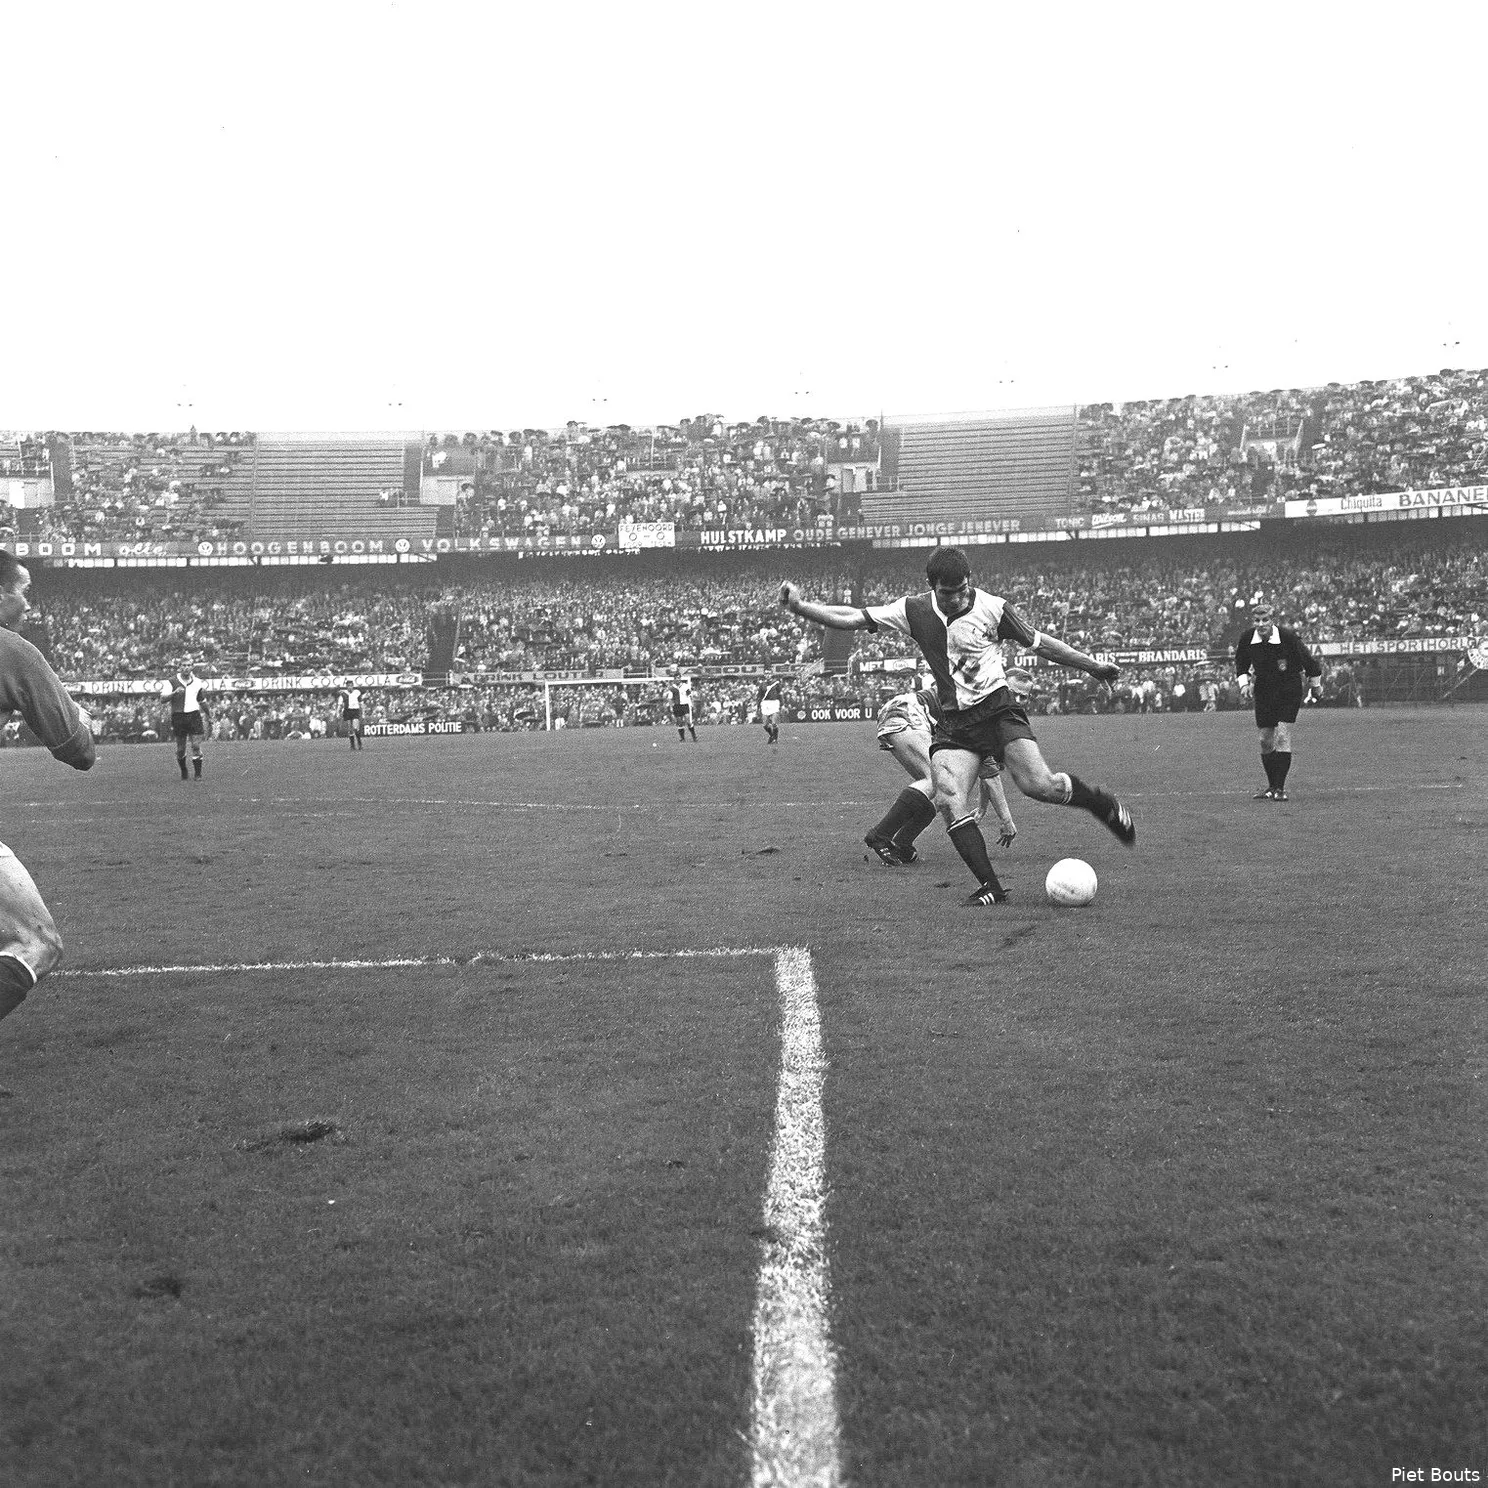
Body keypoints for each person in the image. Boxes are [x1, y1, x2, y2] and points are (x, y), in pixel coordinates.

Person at [779, 546, 1136, 906]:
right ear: (933, 587)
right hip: (955, 724)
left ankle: (1098, 803)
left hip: (997, 712)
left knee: (1039, 786)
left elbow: (1043, 644)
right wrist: (801, 607)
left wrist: (1092, 666)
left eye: (964, 588)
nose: (958, 597)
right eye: (949, 592)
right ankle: (992, 888)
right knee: (950, 798)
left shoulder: (993, 608)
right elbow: (853, 617)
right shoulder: (913, 609)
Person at [0, 551, 96, 1027]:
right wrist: (82, 719)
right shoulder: (11, 650)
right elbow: (77, 751)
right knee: (36, 943)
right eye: (24, 591)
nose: (28, 605)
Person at [867, 681, 1018, 865]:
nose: (1019, 701)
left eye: (1025, 696)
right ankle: (880, 835)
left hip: (900, 711)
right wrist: (1006, 821)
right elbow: (991, 777)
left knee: (938, 790)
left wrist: (982, 808)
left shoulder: (987, 708)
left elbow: (987, 771)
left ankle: (902, 843)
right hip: (908, 713)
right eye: (1017, 694)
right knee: (937, 780)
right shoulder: (987, 714)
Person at [1234, 602, 1323, 800]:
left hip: (1288, 688)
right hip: (1264, 689)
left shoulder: (1288, 637)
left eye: (1265, 620)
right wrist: (1244, 684)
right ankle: (1271, 786)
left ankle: (1280, 790)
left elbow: (1310, 663)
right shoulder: (1248, 638)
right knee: (1265, 740)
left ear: (1272, 620)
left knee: (1282, 736)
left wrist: (1315, 686)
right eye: (1257, 620)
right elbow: (1241, 664)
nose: (1261, 624)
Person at [162, 661, 211, 780]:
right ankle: (184, 769)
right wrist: (174, 693)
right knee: (180, 749)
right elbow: (162, 699)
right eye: (183, 665)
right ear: (179, 667)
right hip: (179, 716)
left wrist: (209, 714)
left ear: (192, 667)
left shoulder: (198, 682)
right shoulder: (171, 681)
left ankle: (198, 774)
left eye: (188, 665)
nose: (186, 668)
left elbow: (201, 700)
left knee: (195, 745)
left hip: (194, 715)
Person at [667, 669, 698, 743]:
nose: (677, 679)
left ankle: (694, 736)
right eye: (676, 678)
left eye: (678, 678)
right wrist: (671, 706)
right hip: (677, 706)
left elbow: (690, 696)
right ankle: (682, 738)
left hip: (685, 705)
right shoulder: (672, 688)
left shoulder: (685, 686)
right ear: (674, 679)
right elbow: (670, 698)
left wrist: (692, 704)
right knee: (679, 722)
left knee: (688, 720)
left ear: (680, 678)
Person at [757, 675, 785, 745]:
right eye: (766, 673)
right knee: (765, 725)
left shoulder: (776, 683)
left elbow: (780, 694)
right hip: (765, 703)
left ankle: (775, 739)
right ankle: (771, 735)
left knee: (774, 723)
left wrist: (783, 704)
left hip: (774, 703)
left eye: (769, 673)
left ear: (771, 674)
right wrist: (758, 707)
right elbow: (759, 696)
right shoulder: (762, 685)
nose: (768, 675)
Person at [338, 683, 364, 750]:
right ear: (346, 687)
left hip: (355, 711)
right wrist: (338, 713)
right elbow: (340, 705)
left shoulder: (357, 692)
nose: (350, 687)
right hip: (347, 711)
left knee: (355, 727)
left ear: (353, 686)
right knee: (350, 729)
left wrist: (363, 713)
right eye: (348, 686)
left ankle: (359, 742)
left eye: (351, 686)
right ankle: (352, 745)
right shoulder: (343, 694)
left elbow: (361, 703)